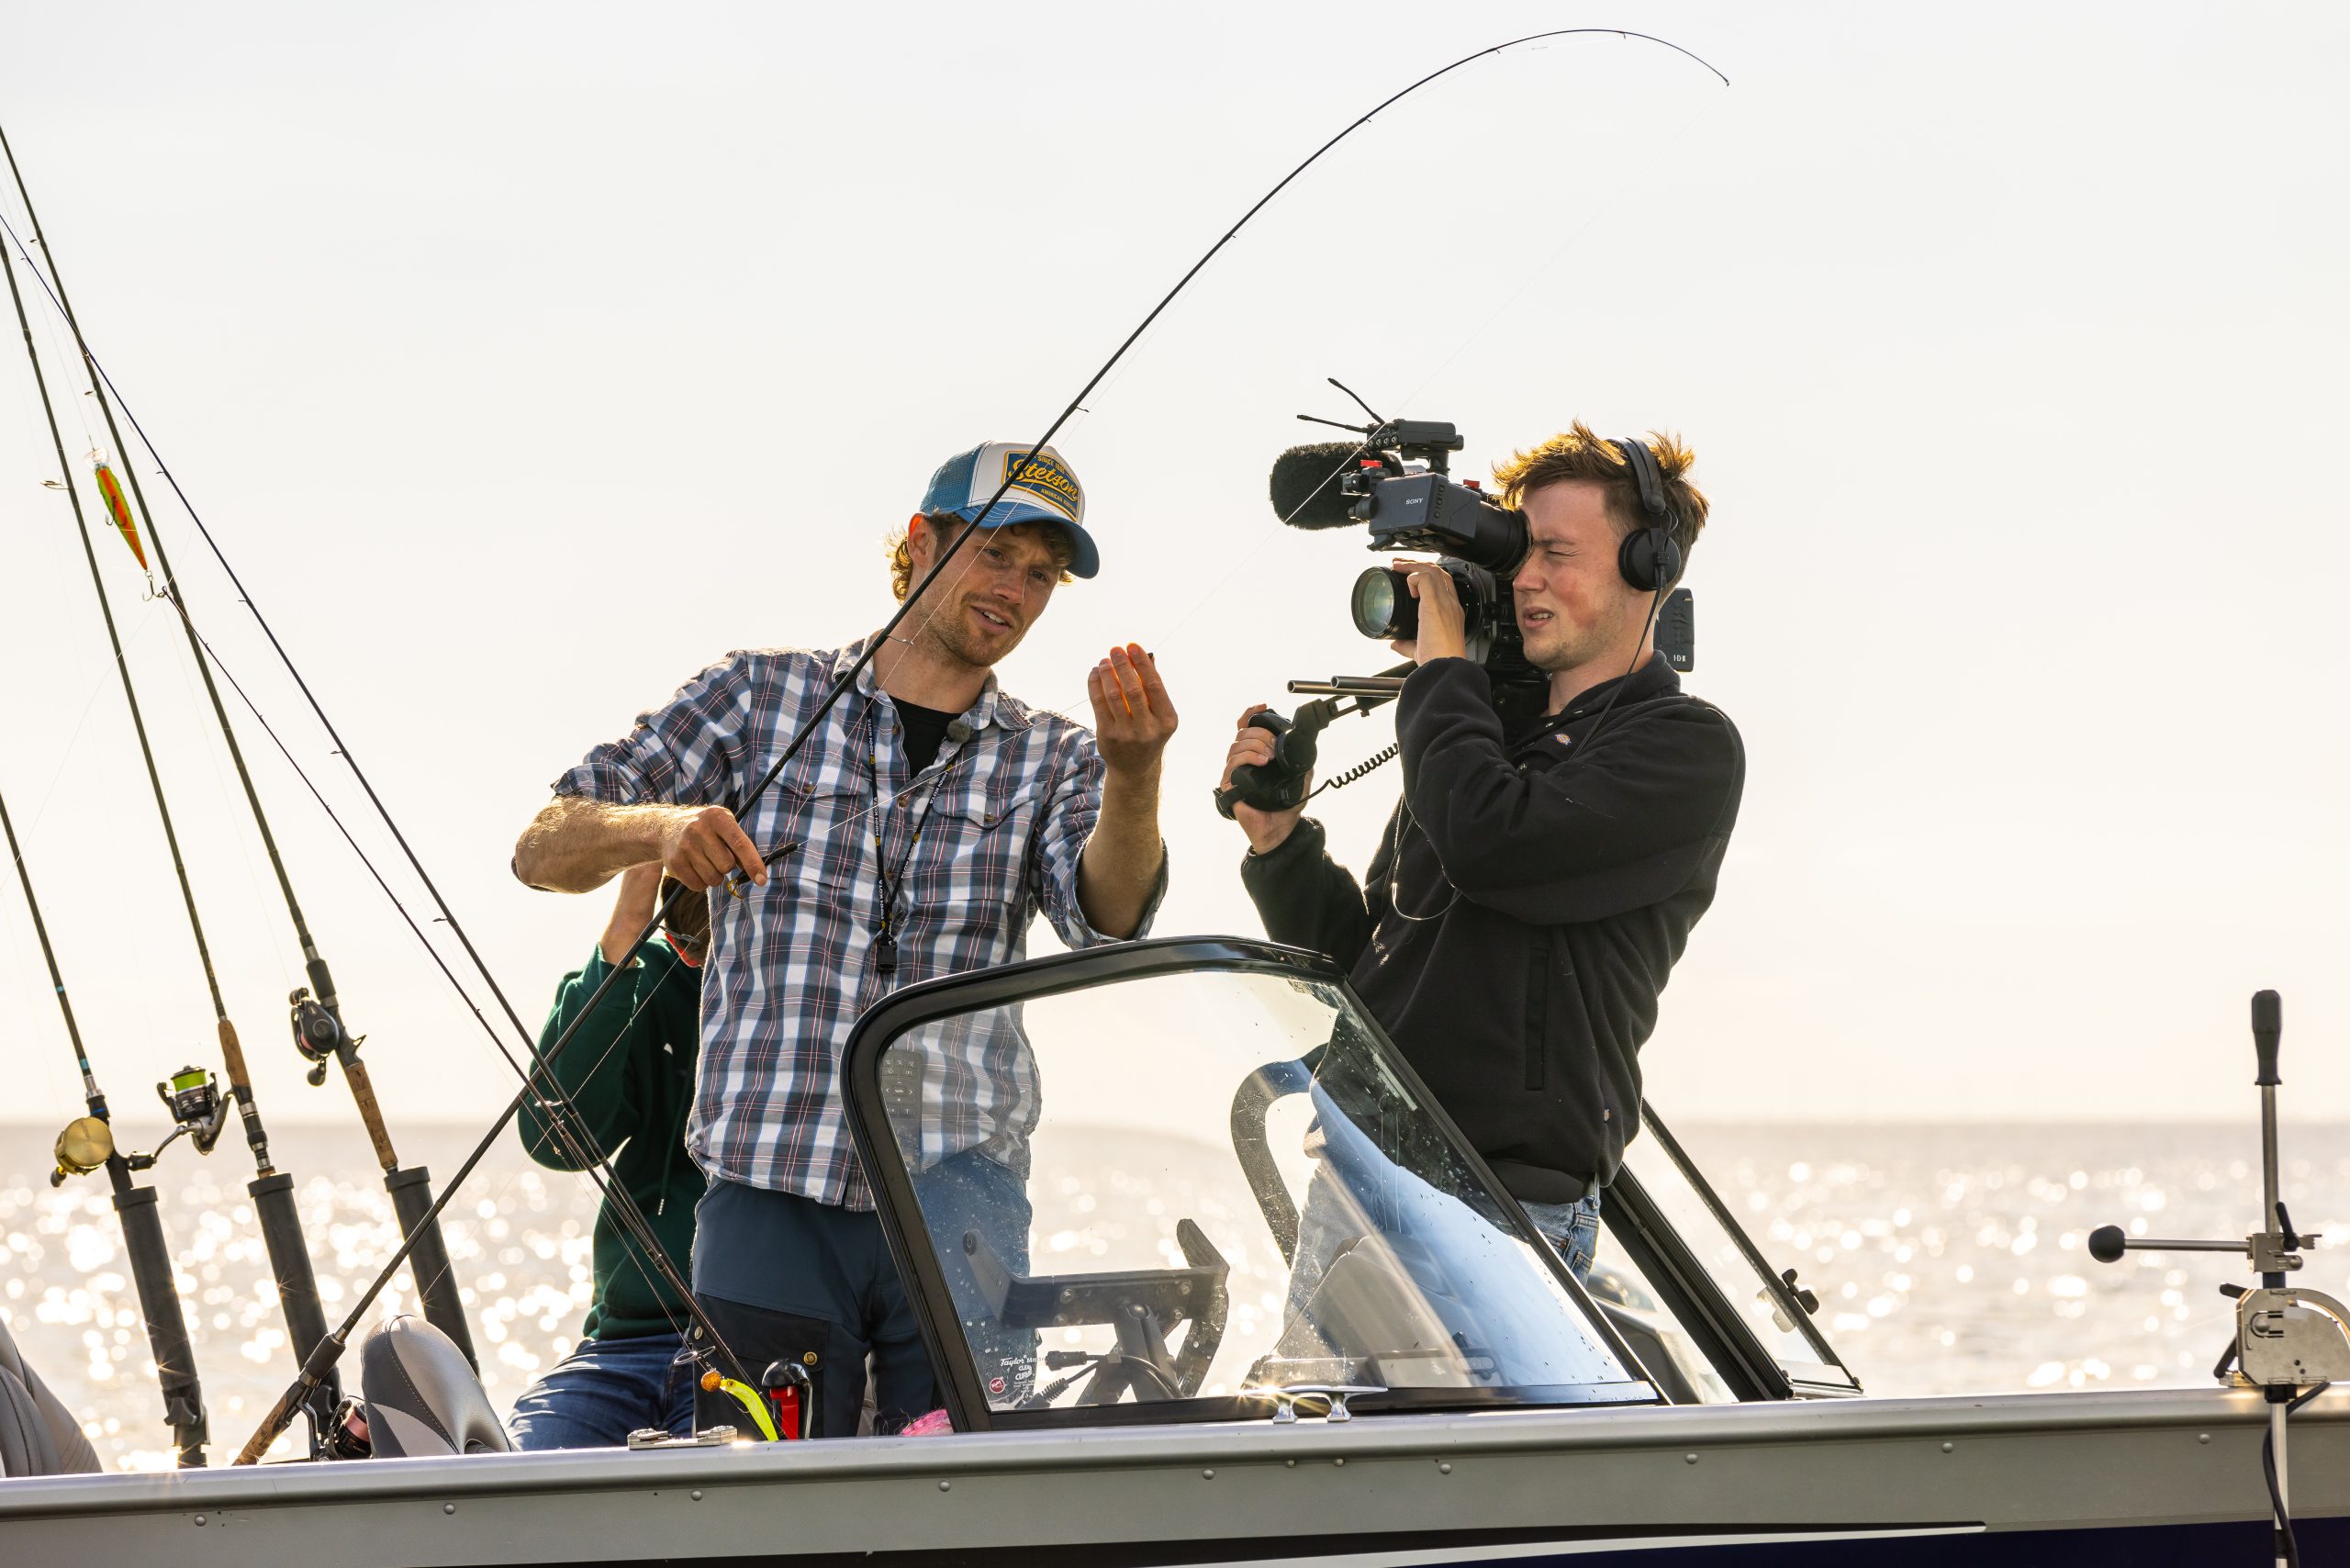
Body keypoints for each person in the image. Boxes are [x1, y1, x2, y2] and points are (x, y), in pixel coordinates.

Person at [510, 441, 1177, 1436]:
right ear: (921, 542)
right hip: (768, 1194)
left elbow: (1106, 918)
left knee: (967, 1503)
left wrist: (1134, 775)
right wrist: (660, 829)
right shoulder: (755, 696)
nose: (1016, 589)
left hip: (964, 1205)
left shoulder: (1056, 756)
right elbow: (543, 845)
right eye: (996, 552)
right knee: (757, 1502)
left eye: (1043, 574)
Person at [1221, 423, 1742, 1282]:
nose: (1526, 577)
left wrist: (1442, 673)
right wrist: (1280, 845)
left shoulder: (1684, 747)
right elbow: (1370, 965)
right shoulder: (1480, 739)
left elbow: (1489, 847)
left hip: (1502, 1205)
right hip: (1356, 1175)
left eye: (1557, 553)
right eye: (1520, 553)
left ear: (1647, 566)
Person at [508, 864, 708, 1450]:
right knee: (518, 1472)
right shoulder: (648, 977)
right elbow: (553, 1139)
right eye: (692, 945)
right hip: (622, 1345)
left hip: (754, 1347)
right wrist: (627, 927)